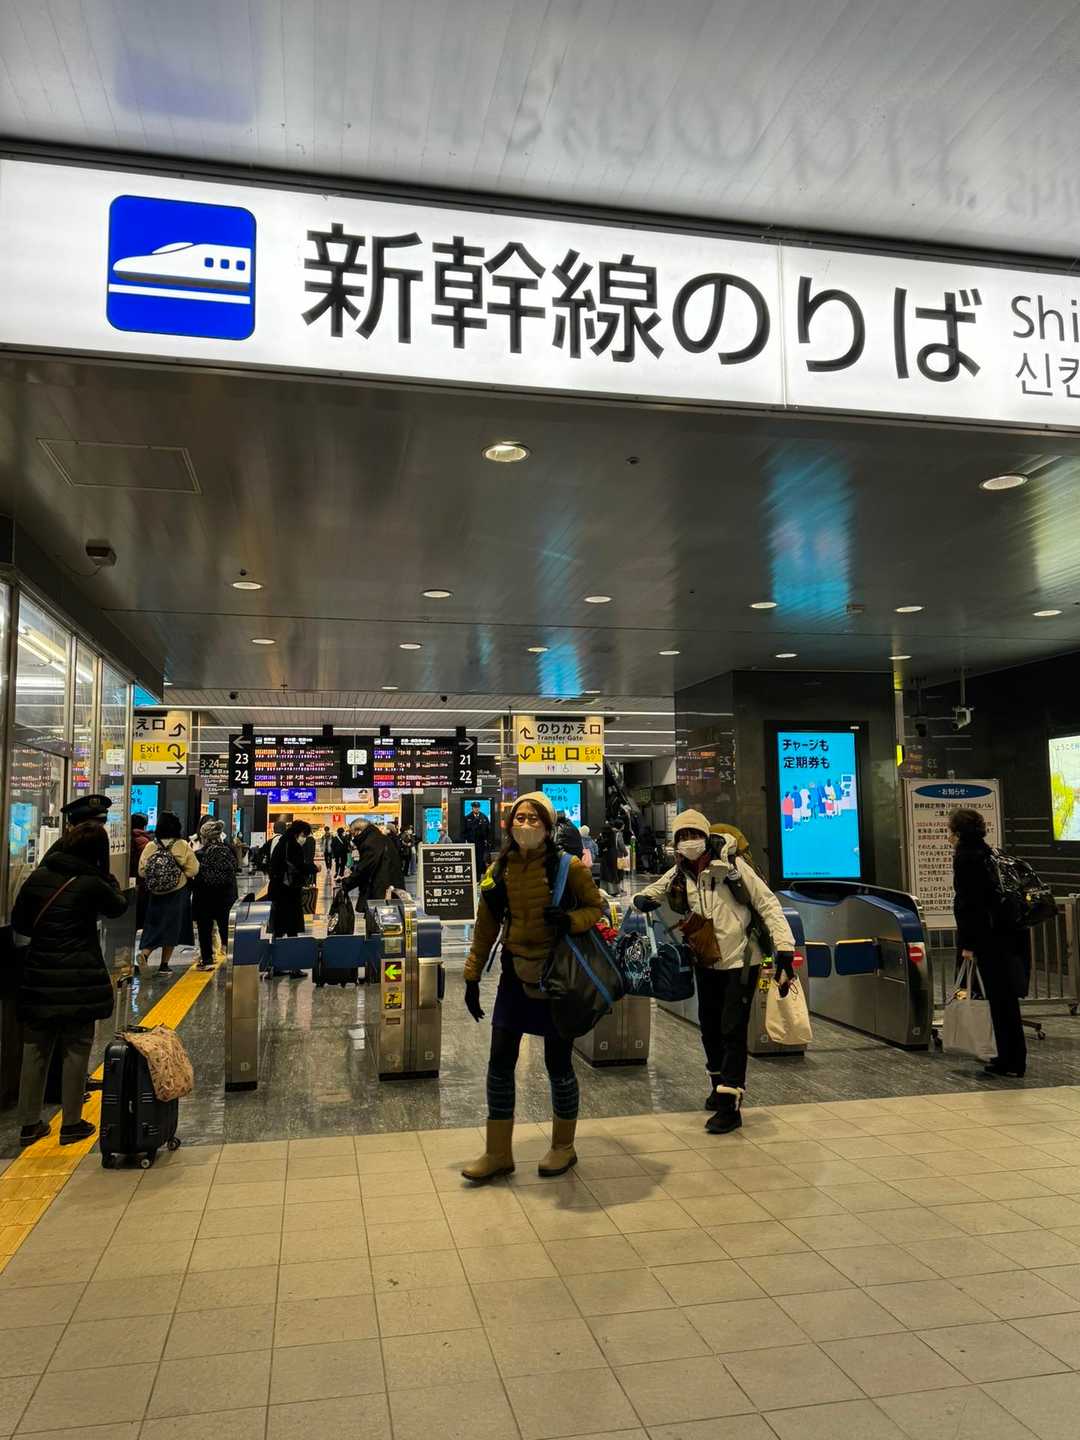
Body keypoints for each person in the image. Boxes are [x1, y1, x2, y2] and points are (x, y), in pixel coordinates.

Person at [461, 792, 604, 1184]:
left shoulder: (568, 867)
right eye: (519, 818)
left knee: (558, 1063)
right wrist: (472, 976)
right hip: (514, 973)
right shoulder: (499, 869)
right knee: (499, 1061)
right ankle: (498, 1152)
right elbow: (486, 926)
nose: (525, 825)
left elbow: (596, 908)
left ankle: (563, 1145)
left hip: (556, 975)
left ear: (548, 825)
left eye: (534, 819)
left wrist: (570, 920)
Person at [634, 809, 796, 1135]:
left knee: (732, 1028)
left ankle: (730, 1106)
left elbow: (767, 903)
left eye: (694, 834)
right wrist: (642, 899)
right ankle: (718, 1087)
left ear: (706, 837)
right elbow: (655, 890)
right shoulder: (681, 870)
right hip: (706, 959)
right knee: (709, 1026)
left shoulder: (733, 865)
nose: (689, 841)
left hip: (741, 960)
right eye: (682, 836)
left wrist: (785, 947)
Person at [12, 821, 130, 1147]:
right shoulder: (90, 883)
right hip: (79, 976)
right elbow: (118, 906)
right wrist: (108, 876)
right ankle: (72, 1123)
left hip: (39, 974)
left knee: (35, 1049)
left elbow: (22, 922)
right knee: (76, 1048)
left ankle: (28, 1124)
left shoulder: (39, 877)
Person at [949, 806, 1027, 1079]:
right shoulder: (990, 853)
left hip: (987, 939)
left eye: (951, 831)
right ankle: (1011, 1056)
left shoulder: (966, 858)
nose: (949, 837)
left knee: (999, 998)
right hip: (1005, 935)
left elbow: (969, 904)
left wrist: (968, 943)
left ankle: (1010, 1060)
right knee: (1005, 999)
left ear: (958, 833)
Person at [137, 811, 198, 975]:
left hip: (155, 894)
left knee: (154, 924)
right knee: (172, 926)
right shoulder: (182, 845)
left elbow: (142, 871)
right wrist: (180, 876)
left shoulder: (151, 845)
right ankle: (164, 965)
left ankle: (145, 954)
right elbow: (193, 870)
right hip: (177, 893)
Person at [190, 818, 239, 971]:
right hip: (226, 897)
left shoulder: (199, 854)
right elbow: (234, 870)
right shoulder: (229, 850)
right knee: (226, 929)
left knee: (205, 929)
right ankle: (235, 959)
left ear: (204, 837)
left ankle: (207, 960)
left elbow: (194, 875)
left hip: (204, 897)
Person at [268, 819, 315, 943]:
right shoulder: (293, 846)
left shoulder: (281, 843)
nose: (304, 839)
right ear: (298, 833)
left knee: (279, 920)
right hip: (289, 889)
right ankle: (292, 946)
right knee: (291, 921)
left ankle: (277, 945)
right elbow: (299, 866)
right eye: (304, 835)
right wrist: (314, 868)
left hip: (277, 887)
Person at [341, 819, 403, 907]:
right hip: (391, 887)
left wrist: (346, 883)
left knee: (376, 914)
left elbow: (365, 869)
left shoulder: (371, 843)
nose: (353, 838)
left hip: (380, 892)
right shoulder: (383, 839)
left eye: (353, 834)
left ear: (359, 831)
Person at [463, 802, 492, 872]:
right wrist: (466, 840)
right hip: (471, 843)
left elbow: (488, 831)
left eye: (478, 807)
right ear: (472, 808)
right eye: (475, 807)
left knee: (481, 859)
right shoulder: (467, 817)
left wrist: (488, 841)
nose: (476, 809)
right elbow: (464, 831)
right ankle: (474, 874)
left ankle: (479, 874)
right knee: (472, 859)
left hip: (481, 843)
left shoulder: (484, 817)